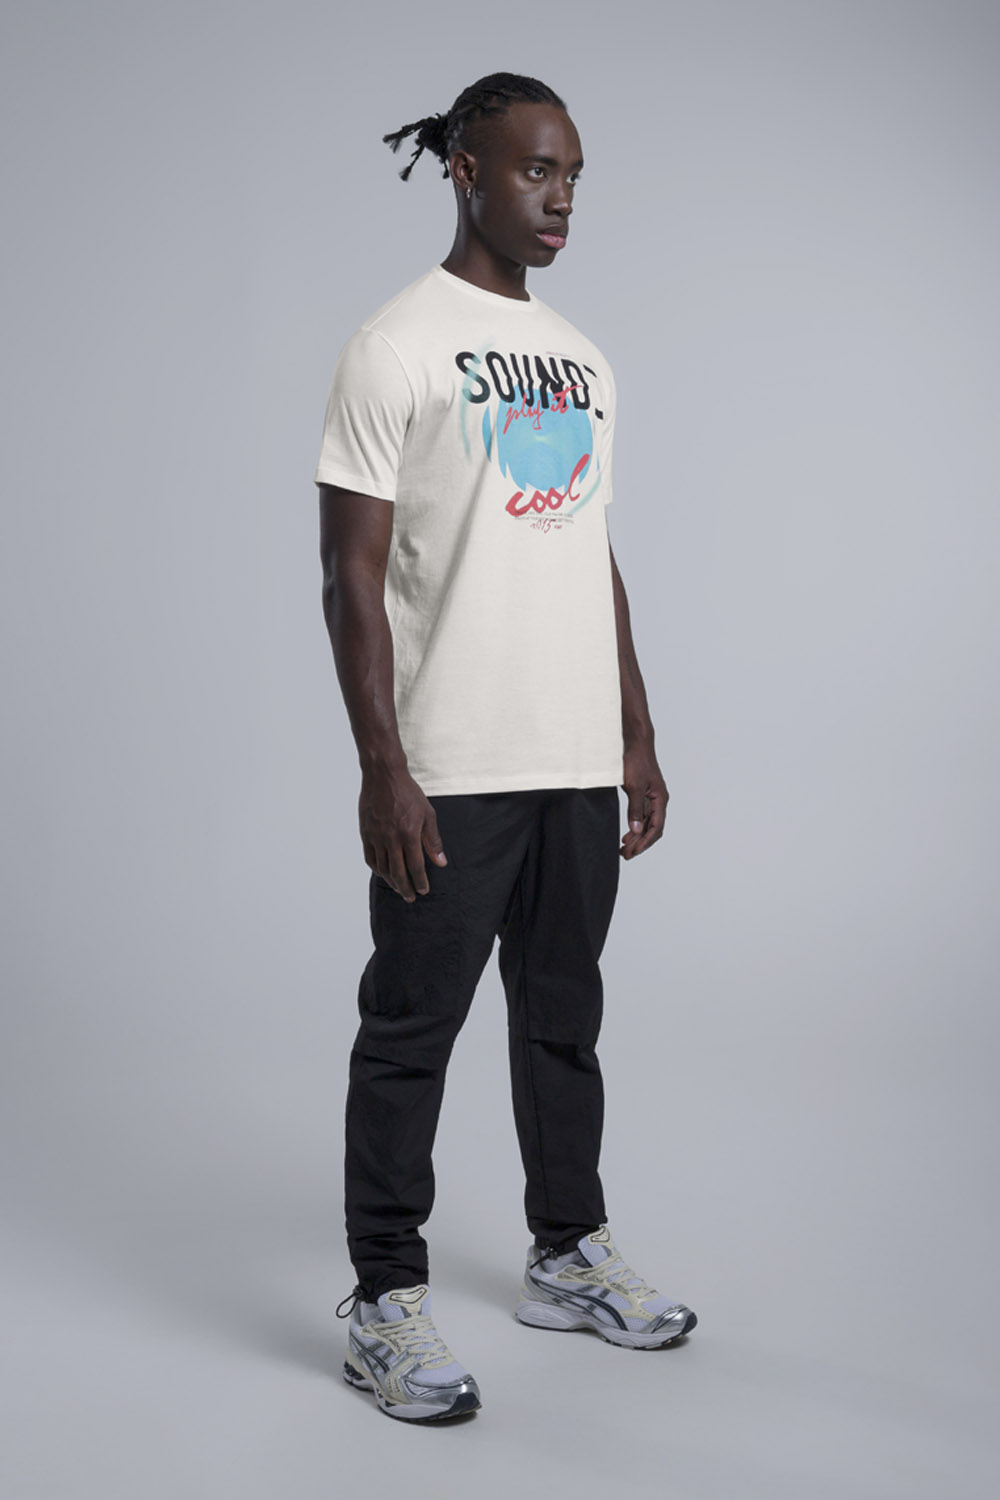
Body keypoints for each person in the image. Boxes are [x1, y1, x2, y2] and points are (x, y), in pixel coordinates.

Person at [313, 72, 696, 1423]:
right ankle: (383, 1300)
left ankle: (566, 1254)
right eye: (537, 170)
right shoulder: (395, 346)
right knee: (409, 1031)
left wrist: (635, 731)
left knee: (563, 1020)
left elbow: (590, 552)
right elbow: (351, 576)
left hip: (573, 757)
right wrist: (384, 764)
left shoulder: (584, 360)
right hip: (454, 765)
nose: (561, 197)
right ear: (466, 169)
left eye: (574, 174)